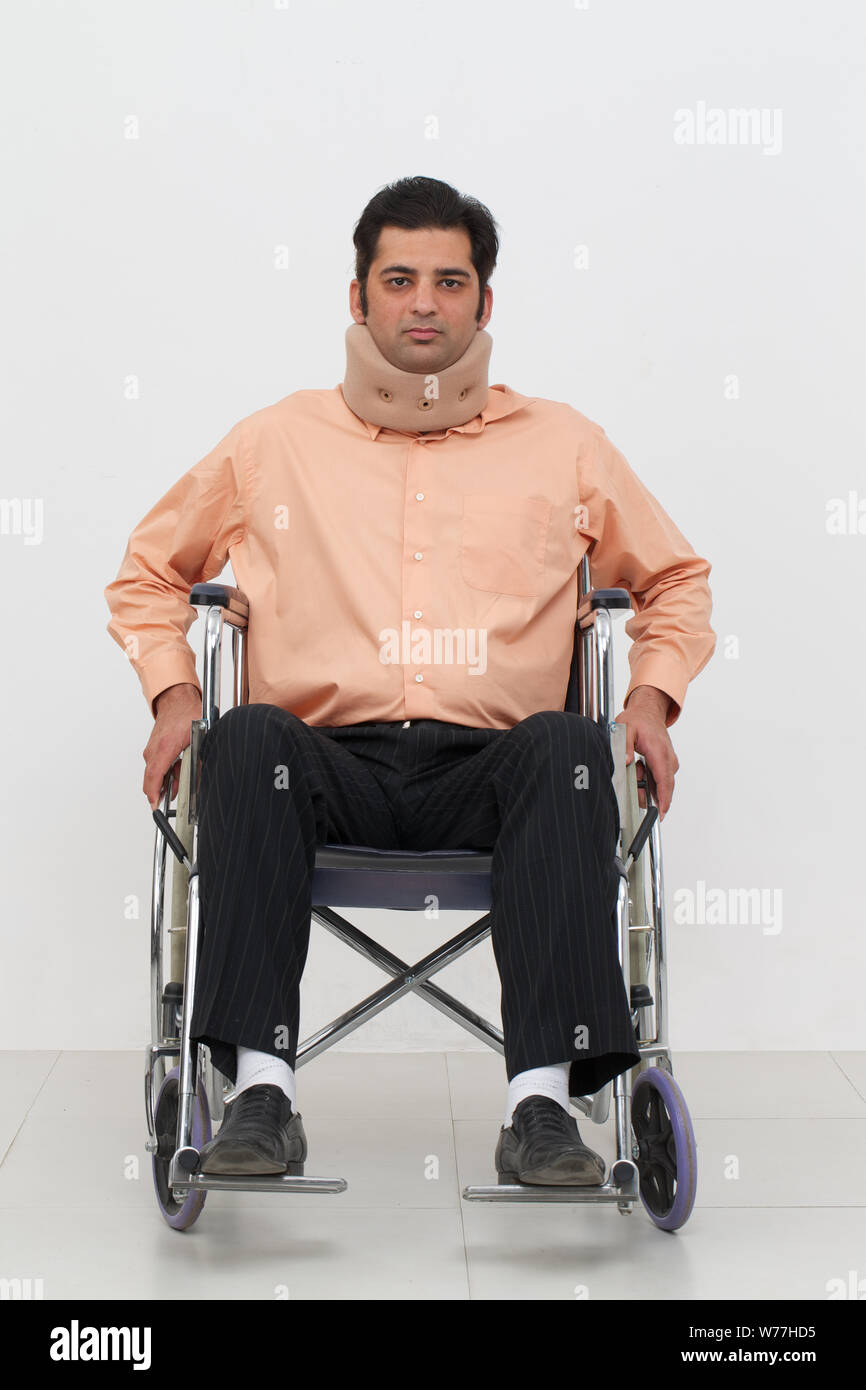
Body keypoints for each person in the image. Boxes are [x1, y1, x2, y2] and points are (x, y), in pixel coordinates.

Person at [105, 175, 715, 1185]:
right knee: (246, 732)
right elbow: (147, 570)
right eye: (398, 280)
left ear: (484, 302)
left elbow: (674, 577)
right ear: (357, 299)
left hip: (498, 776)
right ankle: (261, 1091)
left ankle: (541, 1110)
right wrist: (176, 695)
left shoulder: (561, 445)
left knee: (571, 743)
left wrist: (648, 700)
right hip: (319, 767)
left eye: (448, 280)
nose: (422, 302)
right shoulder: (274, 443)